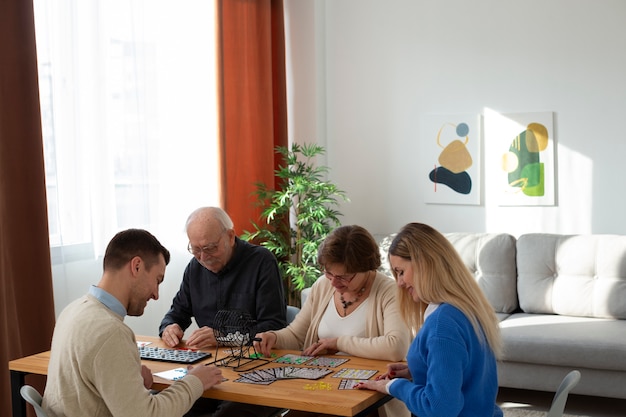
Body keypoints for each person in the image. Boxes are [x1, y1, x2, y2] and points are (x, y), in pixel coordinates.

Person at [42, 229, 224, 417]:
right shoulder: (111, 332)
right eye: (157, 280)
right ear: (136, 266)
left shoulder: (72, 311)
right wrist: (195, 381)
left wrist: (131, 383)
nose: (156, 294)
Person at [254, 224, 412, 417]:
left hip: (370, 399)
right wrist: (273, 337)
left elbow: (396, 347)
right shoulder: (322, 286)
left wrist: (338, 342)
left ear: (366, 267)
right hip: (322, 390)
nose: (335, 283)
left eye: (344, 277)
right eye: (329, 273)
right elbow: (296, 335)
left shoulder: (390, 291)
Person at [355, 223, 504, 417]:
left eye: (401, 271)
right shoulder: (468, 308)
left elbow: (439, 408)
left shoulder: (442, 325)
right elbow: (465, 370)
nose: (399, 283)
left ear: (424, 263)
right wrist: (419, 368)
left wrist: (394, 386)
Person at [159, 206, 286, 417]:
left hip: (255, 371)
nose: (203, 257)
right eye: (195, 249)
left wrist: (224, 337)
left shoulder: (262, 262)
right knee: (170, 404)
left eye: (209, 248)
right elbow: (176, 312)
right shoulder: (194, 267)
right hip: (211, 370)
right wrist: (170, 326)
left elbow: (273, 326)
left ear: (230, 236)